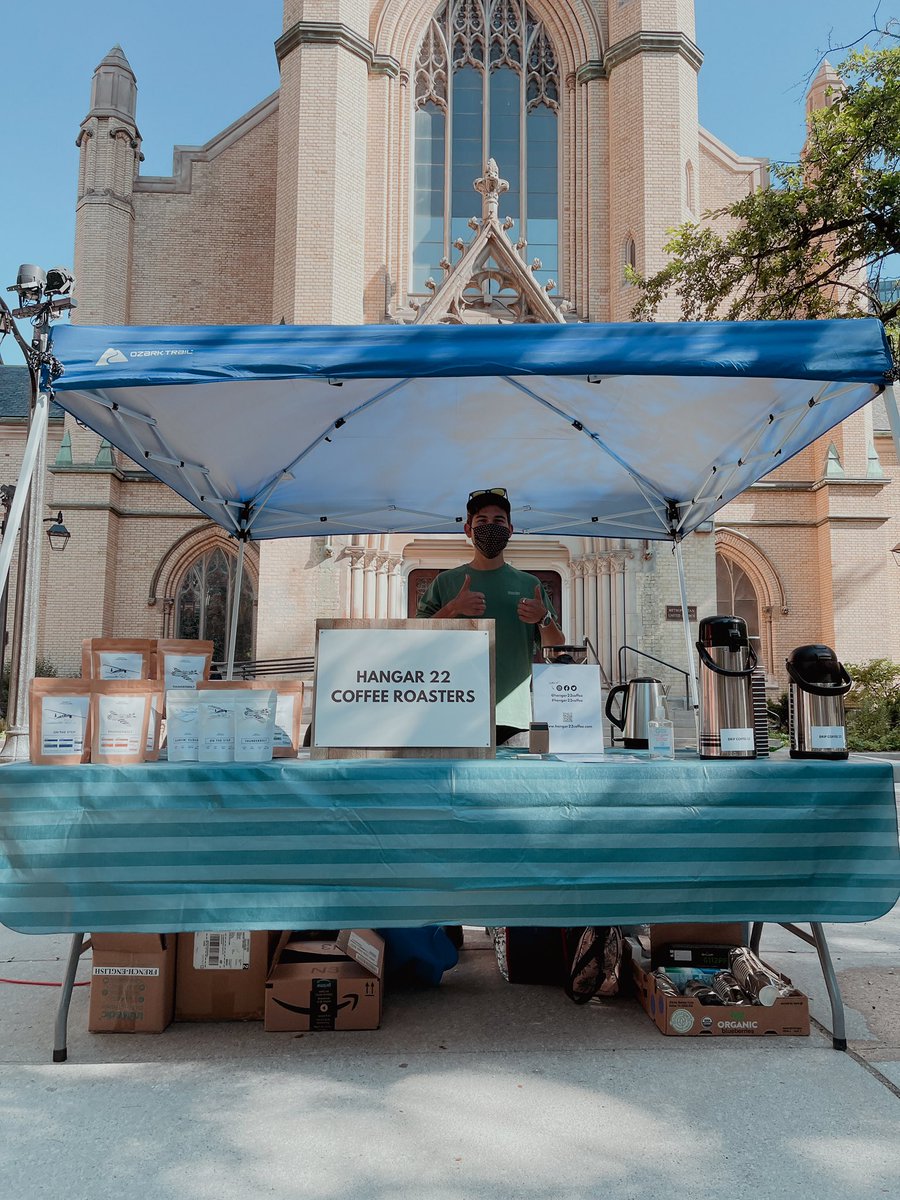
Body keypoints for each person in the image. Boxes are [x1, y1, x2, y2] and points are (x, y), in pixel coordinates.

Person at [416, 487, 566, 746]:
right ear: (467, 530)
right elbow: (413, 639)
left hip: (513, 715)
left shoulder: (529, 583)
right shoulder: (445, 582)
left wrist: (543, 618)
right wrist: (453, 609)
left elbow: (557, 644)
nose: (490, 527)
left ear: (510, 529)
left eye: (498, 521)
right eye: (481, 521)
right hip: (453, 709)